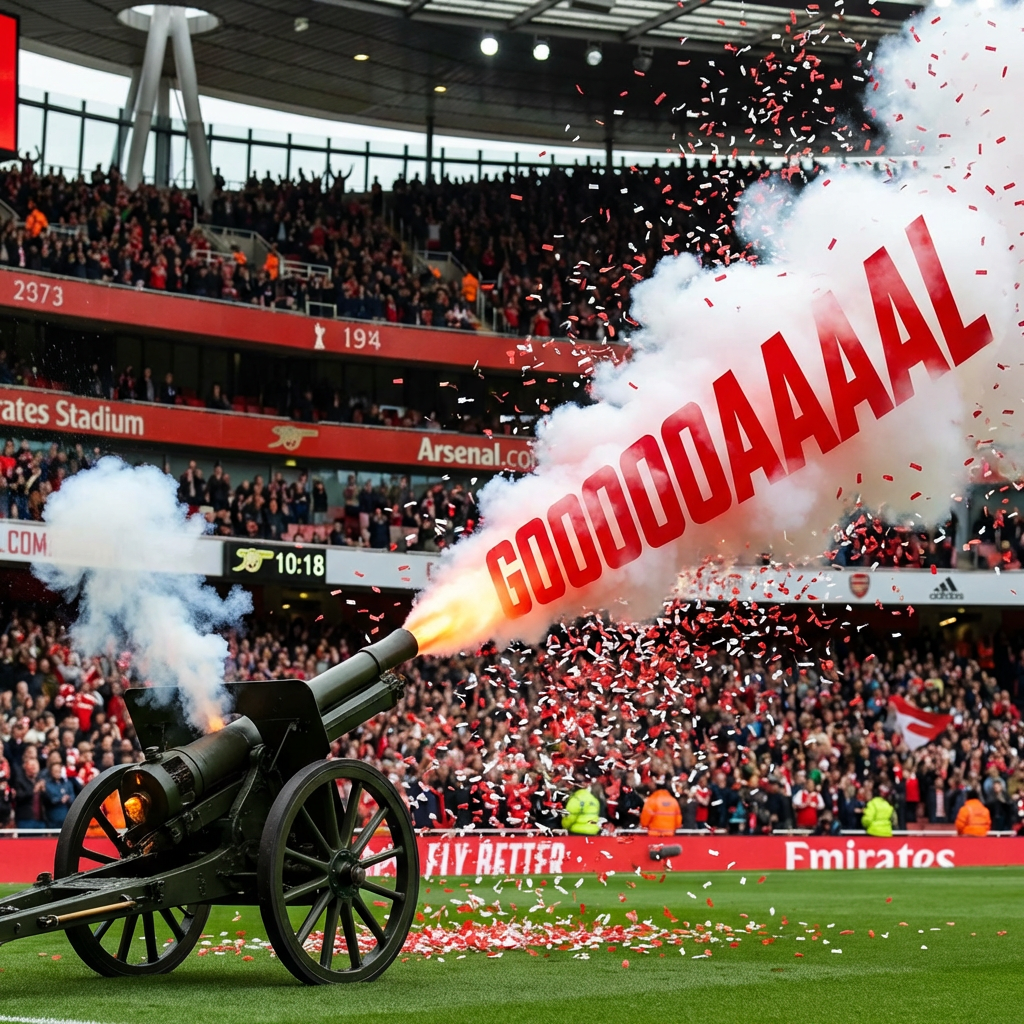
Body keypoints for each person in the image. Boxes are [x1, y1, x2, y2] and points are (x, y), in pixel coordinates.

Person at [42, 761, 75, 827]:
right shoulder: (47, 784)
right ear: (51, 772)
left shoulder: (67, 783)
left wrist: (68, 798)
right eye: (55, 771)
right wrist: (60, 799)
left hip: (66, 816)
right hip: (53, 816)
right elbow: (50, 799)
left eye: (59, 771)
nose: (58, 773)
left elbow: (73, 797)